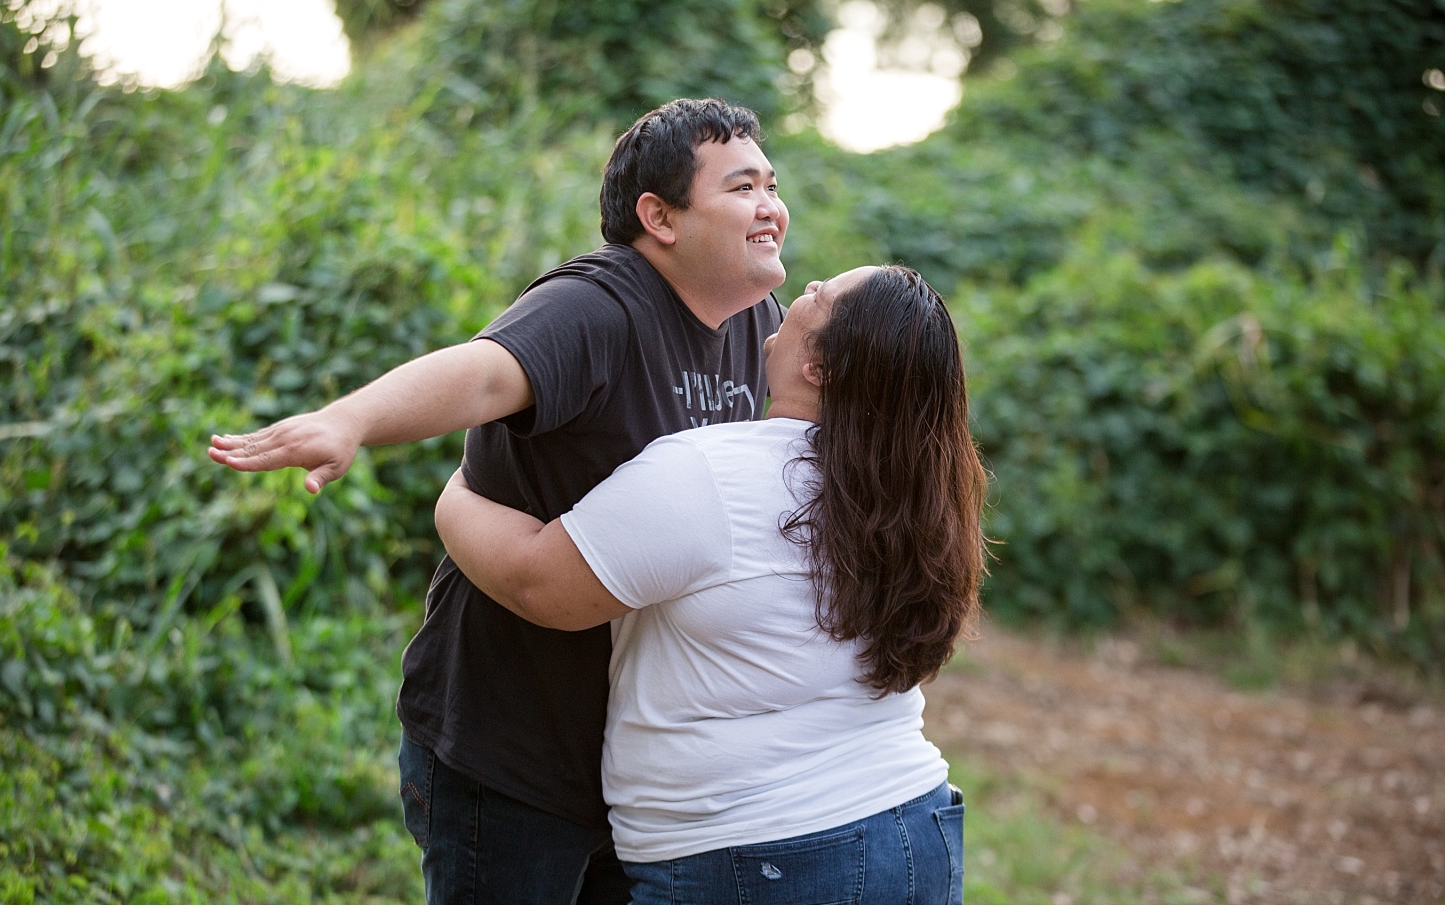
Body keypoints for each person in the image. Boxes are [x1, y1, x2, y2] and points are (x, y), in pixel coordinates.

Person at [208, 98, 789, 903]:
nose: (771, 206)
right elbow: (482, 371)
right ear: (658, 216)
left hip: (640, 759)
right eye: (741, 188)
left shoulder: (760, 324)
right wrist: (350, 420)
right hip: (512, 750)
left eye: (770, 183)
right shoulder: (600, 304)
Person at [435, 264, 988, 904]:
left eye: (820, 296)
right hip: (914, 831)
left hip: (765, 856)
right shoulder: (909, 497)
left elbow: (536, 584)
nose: (802, 292)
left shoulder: (714, 475)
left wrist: (458, 495)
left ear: (822, 368)